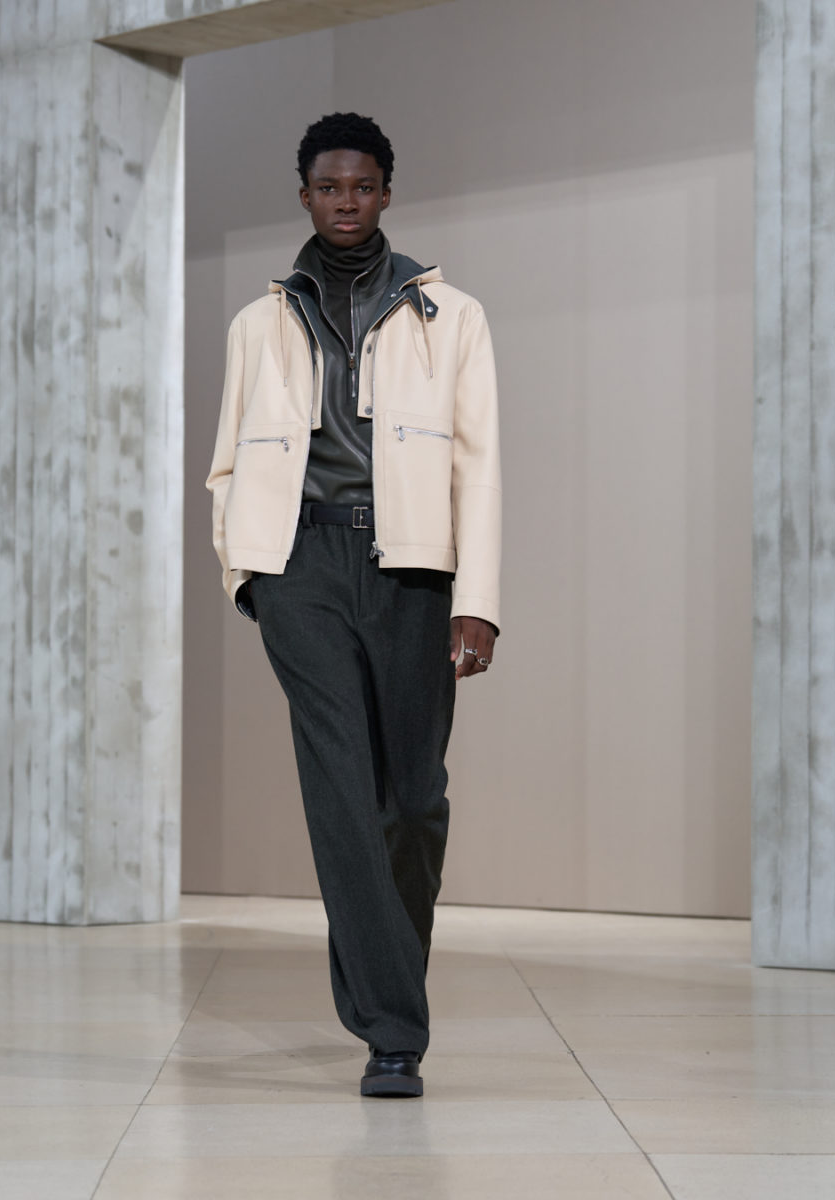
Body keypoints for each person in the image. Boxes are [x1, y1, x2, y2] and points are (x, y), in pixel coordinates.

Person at [206, 112, 501, 1098]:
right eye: (329, 187)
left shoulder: (451, 315)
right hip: (300, 567)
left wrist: (476, 598)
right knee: (341, 790)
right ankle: (392, 1033)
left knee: (411, 800)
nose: (346, 202)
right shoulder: (257, 324)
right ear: (305, 195)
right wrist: (249, 574)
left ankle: (388, 982)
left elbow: (480, 466)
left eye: (363, 186)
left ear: (386, 193)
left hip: (413, 570)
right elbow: (226, 463)